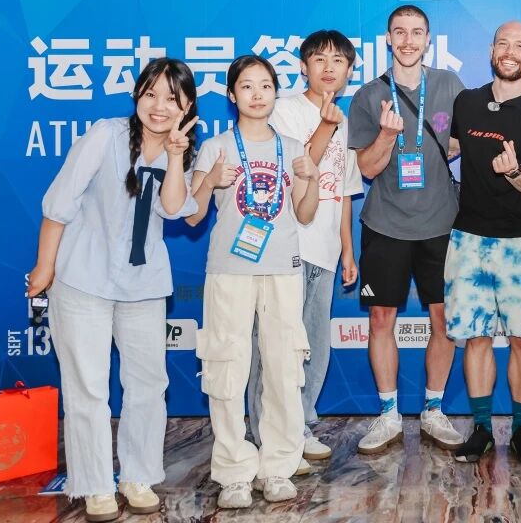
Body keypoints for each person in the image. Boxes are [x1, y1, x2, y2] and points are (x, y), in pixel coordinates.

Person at [28, 58, 198, 522]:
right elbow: (58, 205)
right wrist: (45, 267)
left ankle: (138, 476)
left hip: (143, 286)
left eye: (172, 99)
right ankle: (96, 484)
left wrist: (176, 156)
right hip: (84, 279)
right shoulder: (105, 135)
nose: (159, 106)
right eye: (150, 94)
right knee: (88, 385)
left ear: (187, 106)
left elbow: (174, 209)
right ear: (136, 96)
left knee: (148, 384)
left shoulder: (183, 150)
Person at [187, 55, 322, 509]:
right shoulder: (216, 147)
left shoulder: (292, 147)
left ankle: (278, 466)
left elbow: (304, 213)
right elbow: (192, 215)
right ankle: (234, 471)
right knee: (227, 368)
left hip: (283, 269)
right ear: (232, 95)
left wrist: (311, 178)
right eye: (247, 86)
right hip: (230, 271)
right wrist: (210, 180)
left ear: (275, 93)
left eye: (265, 85)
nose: (257, 94)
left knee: (283, 369)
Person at [445, 20, 521, 464]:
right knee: (476, 339)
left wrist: (514, 172)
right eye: (503, 43)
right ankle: (480, 428)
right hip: (468, 240)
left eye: (520, 45)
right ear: (491, 50)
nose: (510, 51)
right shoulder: (466, 102)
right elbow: (447, 150)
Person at [347, 5, 465, 453]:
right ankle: (388, 414)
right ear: (388, 38)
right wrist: (387, 136)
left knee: (443, 320)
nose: (408, 41)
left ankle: (433, 410)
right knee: (381, 319)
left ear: (428, 40)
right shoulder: (369, 95)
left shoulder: (450, 85)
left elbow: (462, 140)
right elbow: (367, 168)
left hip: (441, 222)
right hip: (386, 223)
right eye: (400, 32)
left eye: (417, 32)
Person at [246, 30, 362, 463]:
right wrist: (326, 126)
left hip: (326, 251)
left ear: (349, 71)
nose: (329, 68)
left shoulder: (346, 120)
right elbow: (299, 170)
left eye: (338, 61)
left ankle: (300, 424)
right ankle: (265, 432)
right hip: (286, 248)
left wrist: (347, 250)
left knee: (314, 343)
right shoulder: (285, 111)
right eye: (319, 59)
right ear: (303, 66)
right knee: (274, 344)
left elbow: (345, 191)